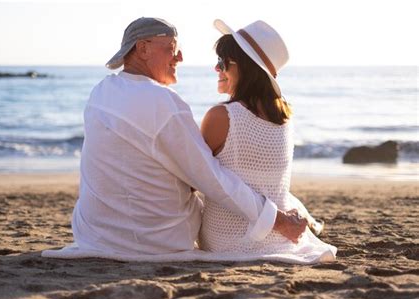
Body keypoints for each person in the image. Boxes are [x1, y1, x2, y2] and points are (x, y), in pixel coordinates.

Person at [70, 17, 308, 256]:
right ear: (142, 49)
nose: (181, 58)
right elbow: (210, 178)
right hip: (155, 241)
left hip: (93, 235)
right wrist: (276, 219)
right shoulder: (164, 103)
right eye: (172, 49)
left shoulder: (100, 92)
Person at [198, 19, 335, 259]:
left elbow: (194, 179)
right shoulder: (285, 117)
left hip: (227, 240)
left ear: (245, 67)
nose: (216, 69)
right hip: (279, 238)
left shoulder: (222, 117)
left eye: (222, 63)